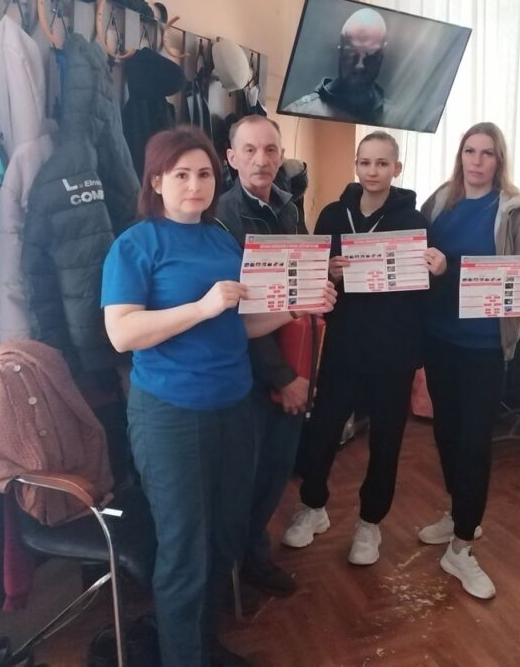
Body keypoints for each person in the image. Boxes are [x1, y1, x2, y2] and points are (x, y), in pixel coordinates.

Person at [101, 126, 334, 667]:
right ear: (156, 181)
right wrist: (201, 308)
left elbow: (240, 325)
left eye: (204, 174)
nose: (194, 185)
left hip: (233, 407)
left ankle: (202, 646)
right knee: (185, 546)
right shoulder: (135, 244)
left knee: (225, 535)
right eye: (180, 174)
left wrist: (294, 309)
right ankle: (183, 656)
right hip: (171, 415)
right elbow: (122, 333)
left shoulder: (221, 241)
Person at [282, 131, 447, 564]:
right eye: (365, 162)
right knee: (322, 432)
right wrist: (329, 274)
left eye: (382, 163)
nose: (372, 171)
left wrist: (435, 272)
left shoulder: (414, 222)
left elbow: (424, 291)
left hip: (394, 352)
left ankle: (370, 523)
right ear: (356, 165)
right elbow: (312, 278)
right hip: (343, 346)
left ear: (397, 168)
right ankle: (313, 507)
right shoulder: (333, 214)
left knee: (386, 442)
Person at [418, 122, 520, 600]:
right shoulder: (439, 202)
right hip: (439, 339)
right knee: (446, 434)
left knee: (475, 442)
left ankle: (462, 547)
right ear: (460, 156)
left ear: (499, 160)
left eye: (487, 153)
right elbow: (415, 261)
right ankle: (459, 514)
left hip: (484, 345)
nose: (476, 161)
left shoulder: (515, 210)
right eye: (470, 151)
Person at [215, 115, 309, 604]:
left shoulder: (290, 207)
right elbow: (241, 312)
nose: (261, 159)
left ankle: (253, 556)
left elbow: (302, 285)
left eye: (270, 149)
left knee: (276, 470)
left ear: (281, 154)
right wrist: (283, 376)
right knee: (245, 477)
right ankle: (232, 569)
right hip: (251, 373)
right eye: (249, 150)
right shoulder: (221, 216)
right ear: (231, 157)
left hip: (293, 360)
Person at [283, 8, 388, 124]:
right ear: (340, 53)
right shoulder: (299, 111)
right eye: (351, 53)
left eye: (371, 56)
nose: (360, 65)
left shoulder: (396, 116)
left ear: (381, 56)